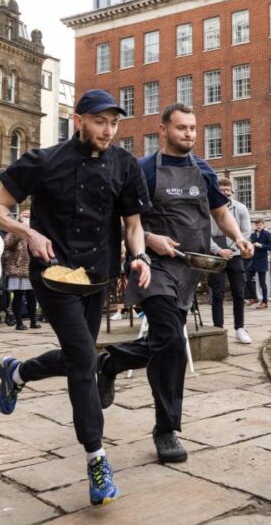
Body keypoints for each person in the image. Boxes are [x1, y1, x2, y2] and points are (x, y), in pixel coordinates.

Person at [0, 89, 151, 506]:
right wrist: (28, 232)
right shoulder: (43, 161)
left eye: (114, 122)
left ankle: (18, 373)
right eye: (100, 121)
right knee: (82, 358)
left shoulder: (125, 164)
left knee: (82, 356)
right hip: (53, 274)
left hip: (97, 277)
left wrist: (139, 255)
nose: (108, 130)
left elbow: (133, 224)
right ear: (78, 120)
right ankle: (97, 458)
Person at [99, 103, 252, 465]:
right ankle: (166, 431)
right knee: (169, 338)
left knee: (167, 345)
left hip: (189, 271)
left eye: (193, 129)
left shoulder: (203, 169)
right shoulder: (144, 168)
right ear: (164, 130)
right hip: (152, 266)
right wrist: (150, 239)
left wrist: (236, 238)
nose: (189, 134)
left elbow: (219, 210)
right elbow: (124, 220)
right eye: (182, 128)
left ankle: (109, 363)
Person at [208, 176, 252, 343]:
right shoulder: (207, 208)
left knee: (239, 292)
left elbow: (246, 233)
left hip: (235, 254)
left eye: (228, 190)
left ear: (232, 191)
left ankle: (240, 328)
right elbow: (204, 233)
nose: (225, 193)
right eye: (222, 190)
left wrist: (233, 250)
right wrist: (218, 250)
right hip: (215, 254)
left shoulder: (240, 208)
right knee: (217, 294)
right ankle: (218, 328)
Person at [4, 210, 40, 330]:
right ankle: (19, 322)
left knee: (32, 296)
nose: (26, 219)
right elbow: (7, 244)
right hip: (17, 268)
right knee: (18, 296)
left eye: (28, 217)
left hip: (32, 268)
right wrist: (20, 231)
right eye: (24, 216)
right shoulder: (14, 231)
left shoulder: (36, 231)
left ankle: (33, 321)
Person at [246, 219, 271, 308]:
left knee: (262, 283)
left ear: (263, 225)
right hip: (253, 260)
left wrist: (260, 245)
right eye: (257, 225)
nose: (258, 226)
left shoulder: (267, 234)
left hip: (262, 261)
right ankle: (254, 298)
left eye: (260, 225)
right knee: (247, 279)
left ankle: (265, 302)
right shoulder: (253, 235)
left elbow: (270, 247)